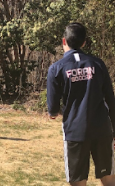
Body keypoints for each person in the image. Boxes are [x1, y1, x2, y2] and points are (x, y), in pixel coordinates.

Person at [47, 22, 115, 186]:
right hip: (102, 129)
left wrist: (53, 112)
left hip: (75, 132)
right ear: (84, 42)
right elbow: (111, 100)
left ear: (64, 41)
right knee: (109, 178)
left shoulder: (56, 68)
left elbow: (53, 109)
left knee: (78, 180)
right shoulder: (98, 64)